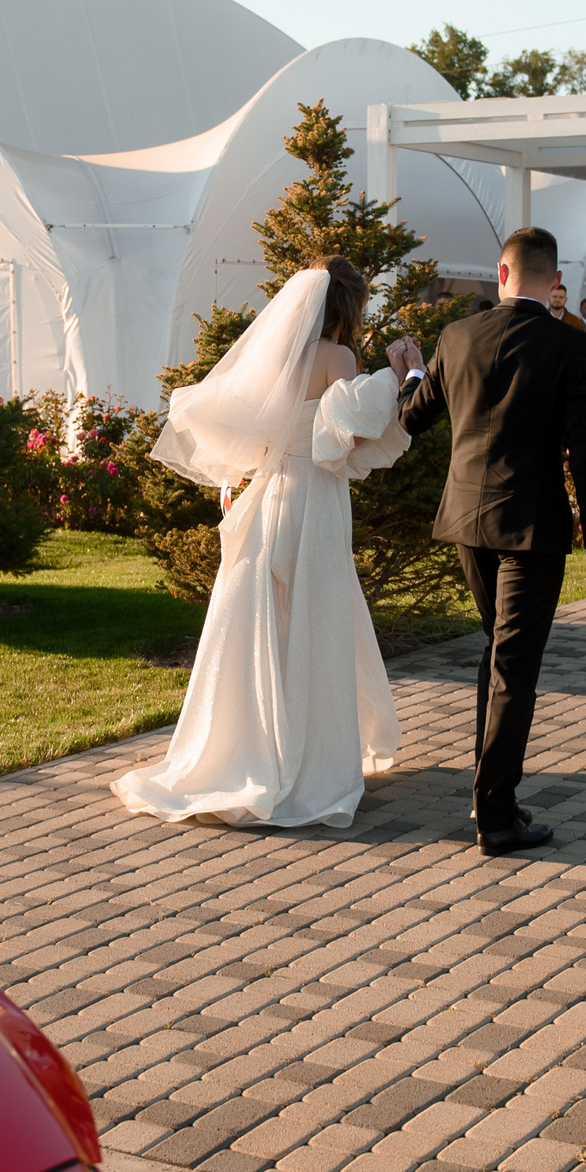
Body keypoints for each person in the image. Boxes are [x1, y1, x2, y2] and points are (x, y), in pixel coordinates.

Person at [115, 260, 412, 829]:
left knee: (265, 620)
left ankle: (251, 746)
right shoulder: (339, 358)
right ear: (346, 308)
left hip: (272, 490)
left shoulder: (277, 359)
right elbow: (344, 437)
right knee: (313, 617)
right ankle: (307, 760)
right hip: (315, 498)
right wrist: (398, 379)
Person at [385, 226, 586, 856]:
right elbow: (585, 451)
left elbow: (413, 417)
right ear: (554, 280)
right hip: (532, 526)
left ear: (501, 272)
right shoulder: (571, 344)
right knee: (513, 665)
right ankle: (496, 815)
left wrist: (408, 375)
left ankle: (495, 797)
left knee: (499, 654)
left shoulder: (458, 335)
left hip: (467, 522)